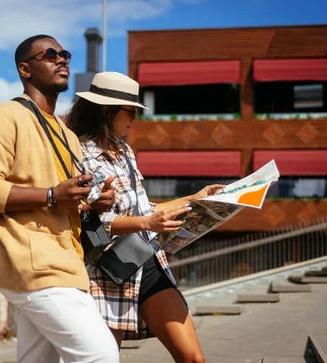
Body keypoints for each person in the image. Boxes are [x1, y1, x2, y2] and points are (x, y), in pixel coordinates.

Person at [0, 35, 120, 363]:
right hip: (34, 263)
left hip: (65, 260)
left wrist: (89, 202)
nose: (62, 60)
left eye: (65, 54)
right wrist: (51, 195)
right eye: (50, 55)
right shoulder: (4, 117)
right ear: (25, 69)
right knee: (101, 355)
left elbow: (61, 203)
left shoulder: (68, 136)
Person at [67, 71, 225, 363]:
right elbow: (93, 221)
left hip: (148, 261)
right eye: (131, 112)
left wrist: (195, 198)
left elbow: (144, 208)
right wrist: (146, 224)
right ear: (106, 109)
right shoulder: (79, 155)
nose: (134, 120)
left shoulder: (125, 150)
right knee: (103, 359)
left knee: (194, 358)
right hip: (109, 271)